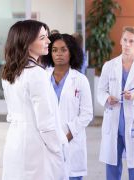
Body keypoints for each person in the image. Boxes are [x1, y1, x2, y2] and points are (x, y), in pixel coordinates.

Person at [1, 20, 64, 180]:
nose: (48, 41)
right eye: (43, 38)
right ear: (27, 42)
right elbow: (45, 122)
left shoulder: (9, 73)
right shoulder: (37, 74)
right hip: (36, 145)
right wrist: (58, 148)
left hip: (15, 140)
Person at [97, 26, 134, 180]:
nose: (127, 44)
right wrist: (107, 98)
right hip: (113, 122)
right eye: (125, 40)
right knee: (112, 164)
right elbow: (100, 91)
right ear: (120, 41)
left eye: (131, 41)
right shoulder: (109, 66)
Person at [42, 33, 93, 180]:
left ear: (71, 52)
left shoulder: (80, 80)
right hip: (47, 141)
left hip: (71, 142)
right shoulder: (42, 77)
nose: (58, 54)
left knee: (71, 175)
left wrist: (66, 136)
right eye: (54, 50)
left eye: (63, 50)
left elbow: (86, 114)